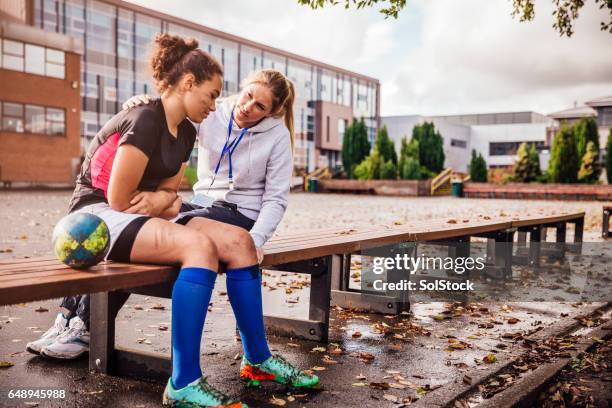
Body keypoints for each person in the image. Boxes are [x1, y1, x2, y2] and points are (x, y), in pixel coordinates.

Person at [27, 34, 316, 408]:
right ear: (189, 83)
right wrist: (165, 199)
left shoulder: (190, 132)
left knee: (241, 244)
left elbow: (169, 199)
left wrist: (164, 200)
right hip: (98, 216)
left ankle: (258, 361)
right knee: (199, 247)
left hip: (145, 212)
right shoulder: (147, 117)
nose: (220, 105)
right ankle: (183, 381)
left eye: (222, 97)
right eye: (214, 95)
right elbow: (121, 199)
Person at [123, 68, 295, 266]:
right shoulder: (213, 112)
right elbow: (173, 118)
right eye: (248, 95)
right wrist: (147, 106)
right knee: (143, 214)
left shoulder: (278, 136)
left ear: (271, 112)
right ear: (244, 87)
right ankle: (97, 293)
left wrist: (255, 239)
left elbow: (276, 199)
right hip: (201, 204)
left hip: (241, 213)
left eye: (259, 106)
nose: (247, 107)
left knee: (172, 224)